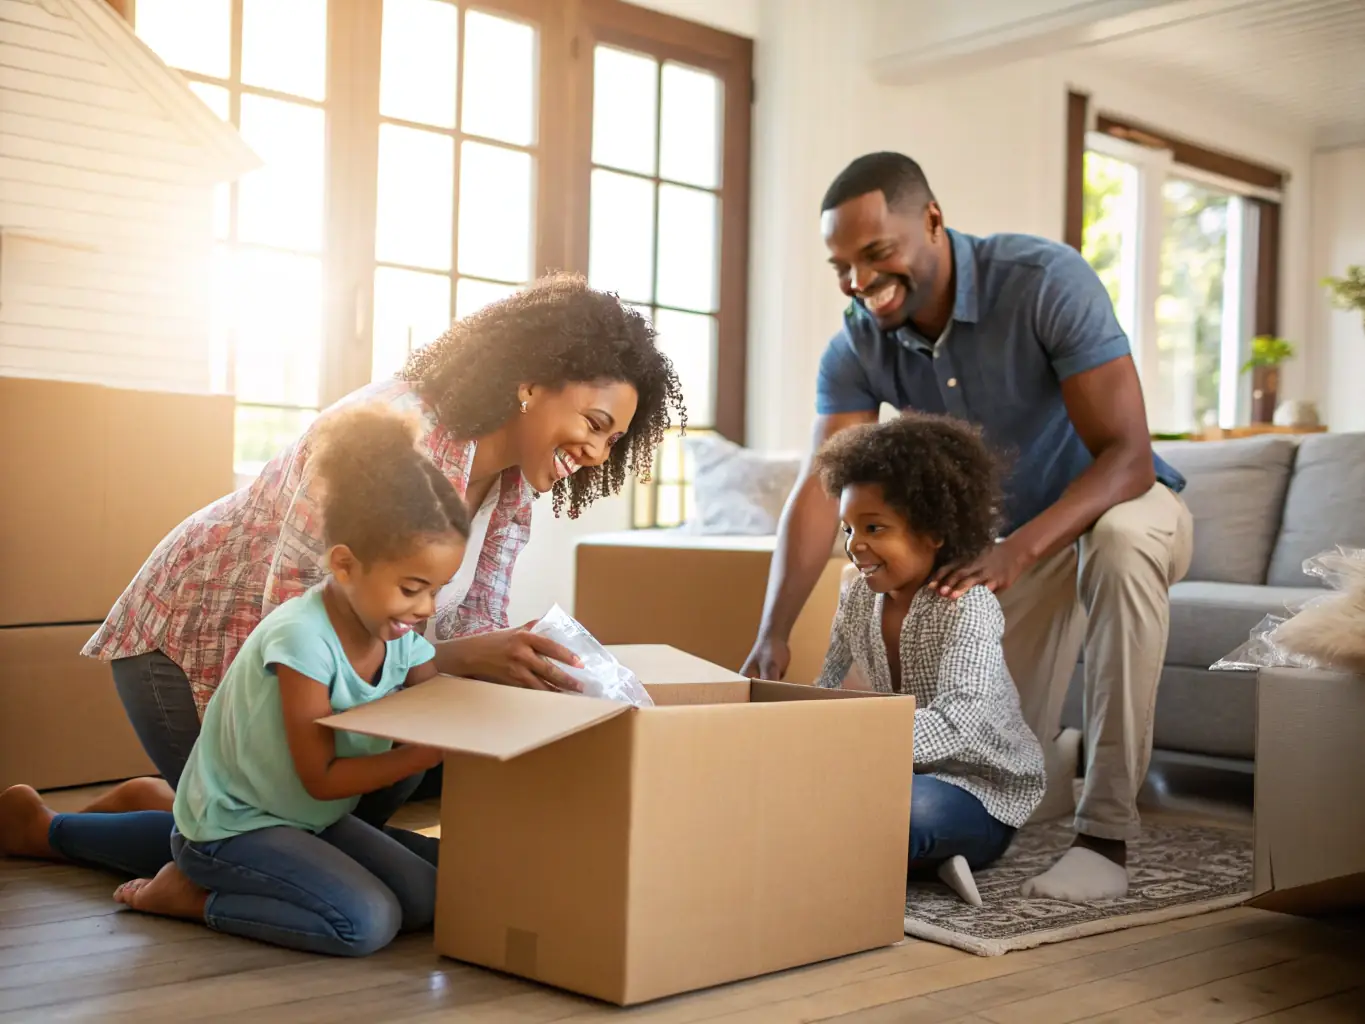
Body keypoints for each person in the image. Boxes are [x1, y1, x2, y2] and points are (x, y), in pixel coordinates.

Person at [742, 153, 1193, 903]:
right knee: (998, 736)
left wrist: (1015, 551)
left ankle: (1105, 835)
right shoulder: (856, 342)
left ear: (931, 221)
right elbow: (821, 490)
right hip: (1003, 542)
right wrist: (772, 630)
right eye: (840, 266)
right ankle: (1056, 766)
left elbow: (1130, 457)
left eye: (875, 253)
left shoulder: (1043, 281)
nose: (857, 282)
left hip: (1114, 501)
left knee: (1116, 545)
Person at [84, 273, 686, 798]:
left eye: (613, 442)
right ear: (531, 385)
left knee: (420, 777)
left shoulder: (511, 488)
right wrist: (458, 658)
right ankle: (68, 827)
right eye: (595, 424)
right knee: (257, 828)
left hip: (318, 680)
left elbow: (467, 626)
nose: (596, 454)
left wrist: (517, 664)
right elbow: (296, 630)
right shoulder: (389, 435)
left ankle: (158, 808)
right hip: (194, 648)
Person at [1, 405, 471, 956]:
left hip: (306, 820)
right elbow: (320, 777)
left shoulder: (398, 636)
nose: (425, 608)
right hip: (239, 825)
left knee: (426, 900)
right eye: (413, 588)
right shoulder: (302, 640)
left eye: (436, 590)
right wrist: (421, 755)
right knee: (365, 923)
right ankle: (189, 895)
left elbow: (439, 700)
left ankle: (153, 809)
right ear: (344, 565)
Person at [813, 414, 1045, 905]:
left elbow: (959, 722)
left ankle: (873, 845)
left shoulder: (969, 605)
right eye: (849, 528)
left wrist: (856, 741)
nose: (855, 545)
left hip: (979, 790)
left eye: (874, 527)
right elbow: (825, 682)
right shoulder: (857, 598)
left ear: (934, 531)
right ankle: (875, 851)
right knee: (803, 790)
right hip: (891, 768)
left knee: (904, 811)